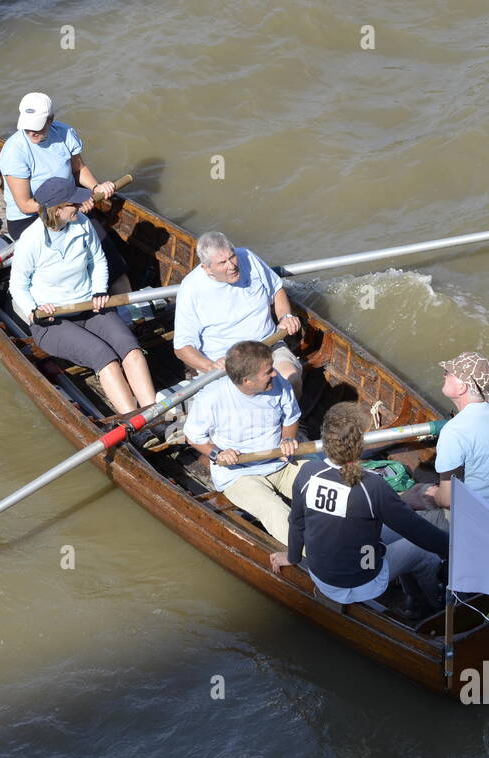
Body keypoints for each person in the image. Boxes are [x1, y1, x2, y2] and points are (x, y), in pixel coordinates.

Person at [271, 403, 447, 619]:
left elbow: (297, 522)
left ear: (325, 441)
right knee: (422, 552)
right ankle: (433, 605)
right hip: (361, 583)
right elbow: (420, 533)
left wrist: (293, 557)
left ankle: (413, 600)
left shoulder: (308, 472)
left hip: (322, 575)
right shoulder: (373, 486)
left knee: (397, 531)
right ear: (359, 446)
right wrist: (457, 551)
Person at [9, 178, 155, 416]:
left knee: (131, 350)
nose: (80, 205)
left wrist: (99, 290)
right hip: (53, 320)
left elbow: (97, 261)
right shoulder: (31, 241)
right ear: (57, 210)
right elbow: (18, 286)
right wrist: (33, 310)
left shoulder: (83, 223)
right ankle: (136, 423)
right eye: (73, 203)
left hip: (90, 306)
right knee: (105, 358)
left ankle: (153, 413)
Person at [0, 92, 130, 294]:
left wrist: (96, 188)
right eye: (27, 126)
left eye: (38, 126)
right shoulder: (15, 151)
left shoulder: (65, 133)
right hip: (32, 217)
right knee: (66, 266)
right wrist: (72, 205)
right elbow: (25, 204)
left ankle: (130, 305)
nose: (32, 132)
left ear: (51, 120)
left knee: (109, 257)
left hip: (71, 206)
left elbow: (78, 169)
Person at [184, 340, 305, 545]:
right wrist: (217, 453)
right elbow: (193, 436)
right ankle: (318, 561)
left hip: (280, 463)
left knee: (326, 483)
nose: (274, 374)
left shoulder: (278, 383)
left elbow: (291, 418)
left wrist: (288, 438)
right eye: (268, 372)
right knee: (275, 510)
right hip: (239, 475)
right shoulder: (211, 397)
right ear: (247, 381)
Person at [173, 232, 303, 397]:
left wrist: (285, 317)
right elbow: (182, 348)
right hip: (227, 364)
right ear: (207, 269)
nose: (232, 266)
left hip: (268, 346)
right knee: (243, 400)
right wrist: (209, 366)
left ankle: (290, 420)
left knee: (290, 379)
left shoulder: (247, 257)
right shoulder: (191, 288)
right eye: (222, 263)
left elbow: (276, 290)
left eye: (232, 257)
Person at [410, 351, 489, 521]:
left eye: (448, 373)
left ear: (462, 387)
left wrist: (433, 494)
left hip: (481, 522)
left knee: (417, 494)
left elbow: (446, 500)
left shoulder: (454, 431)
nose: (444, 375)